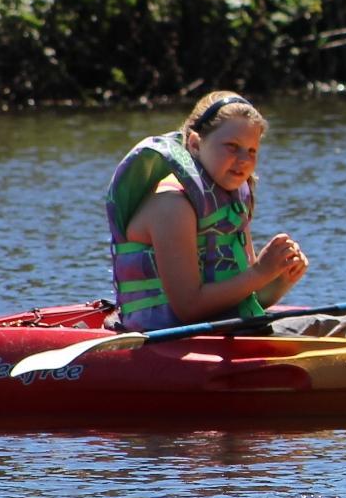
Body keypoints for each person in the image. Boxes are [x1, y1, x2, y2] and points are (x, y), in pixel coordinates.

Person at [104, 92, 309, 332]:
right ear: (195, 144)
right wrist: (260, 272)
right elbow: (188, 307)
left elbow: (244, 297)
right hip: (166, 336)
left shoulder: (233, 199)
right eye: (232, 147)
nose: (244, 160)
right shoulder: (172, 205)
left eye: (252, 151)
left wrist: (280, 279)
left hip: (218, 331)